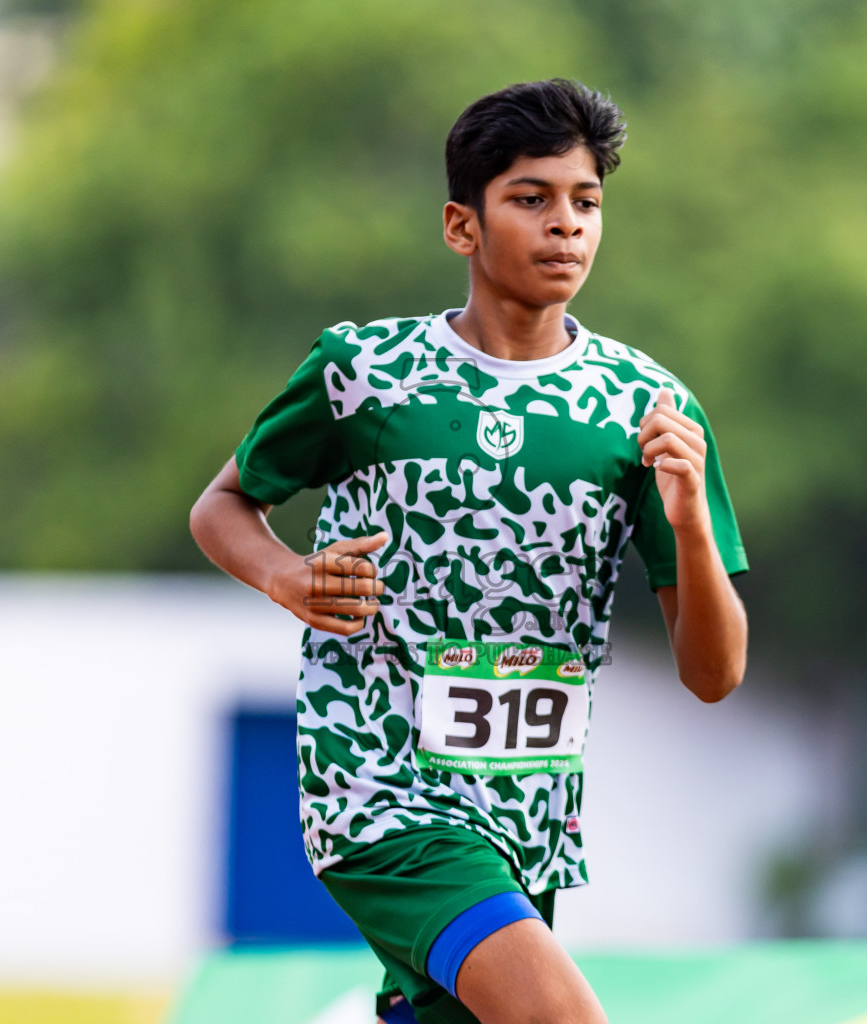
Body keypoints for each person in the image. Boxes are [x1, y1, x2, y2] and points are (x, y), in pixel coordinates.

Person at [190, 78, 749, 1024]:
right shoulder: (365, 374)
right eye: (531, 199)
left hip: (528, 817)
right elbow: (223, 504)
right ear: (463, 226)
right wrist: (287, 577)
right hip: (378, 791)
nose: (565, 225)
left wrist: (690, 521)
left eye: (586, 202)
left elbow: (716, 673)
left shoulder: (645, 408)